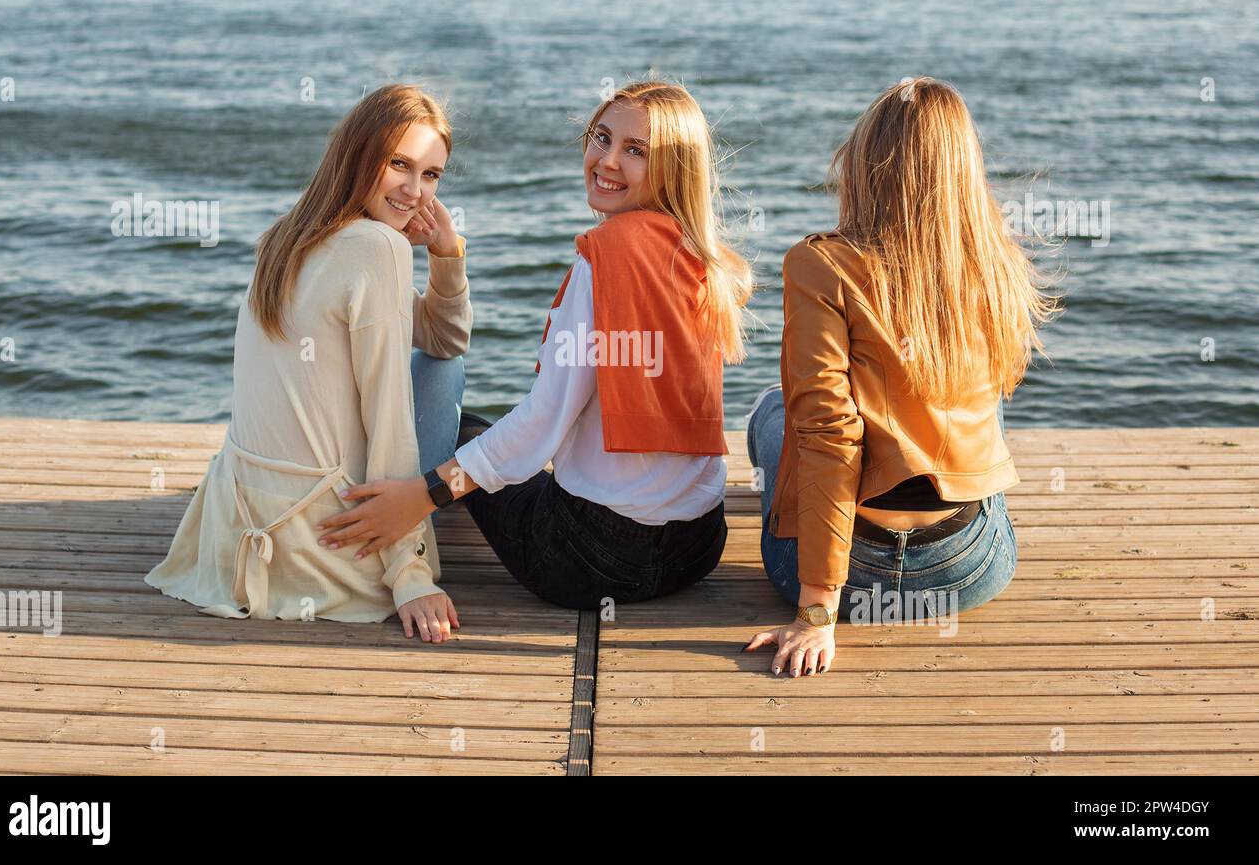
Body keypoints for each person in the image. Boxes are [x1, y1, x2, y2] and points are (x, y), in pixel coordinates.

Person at [317, 80, 753, 618]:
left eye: (635, 151)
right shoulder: (703, 259)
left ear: (674, 168)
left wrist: (425, 493)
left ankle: (393, 528)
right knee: (506, 453)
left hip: (592, 562)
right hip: (698, 546)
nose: (607, 160)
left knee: (465, 429)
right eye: (601, 137)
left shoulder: (605, 259)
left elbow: (541, 424)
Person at [744, 77, 1059, 677]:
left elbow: (828, 434)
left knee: (775, 415)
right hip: (969, 570)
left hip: (848, 577)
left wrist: (815, 612)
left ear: (863, 164)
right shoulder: (993, 262)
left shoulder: (820, 264)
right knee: (980, 400)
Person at [146, 84, 472, 643]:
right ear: (360, 154)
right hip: (334, 534)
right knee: (445, 378)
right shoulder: (378, 249)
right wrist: (409, 573)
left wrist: (446, 253)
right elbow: (396, 409)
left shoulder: (286, 235)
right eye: (400, 164)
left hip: (241, 522)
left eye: (431, 175)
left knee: (438, 366)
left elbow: (441, 335)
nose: (415, 191)